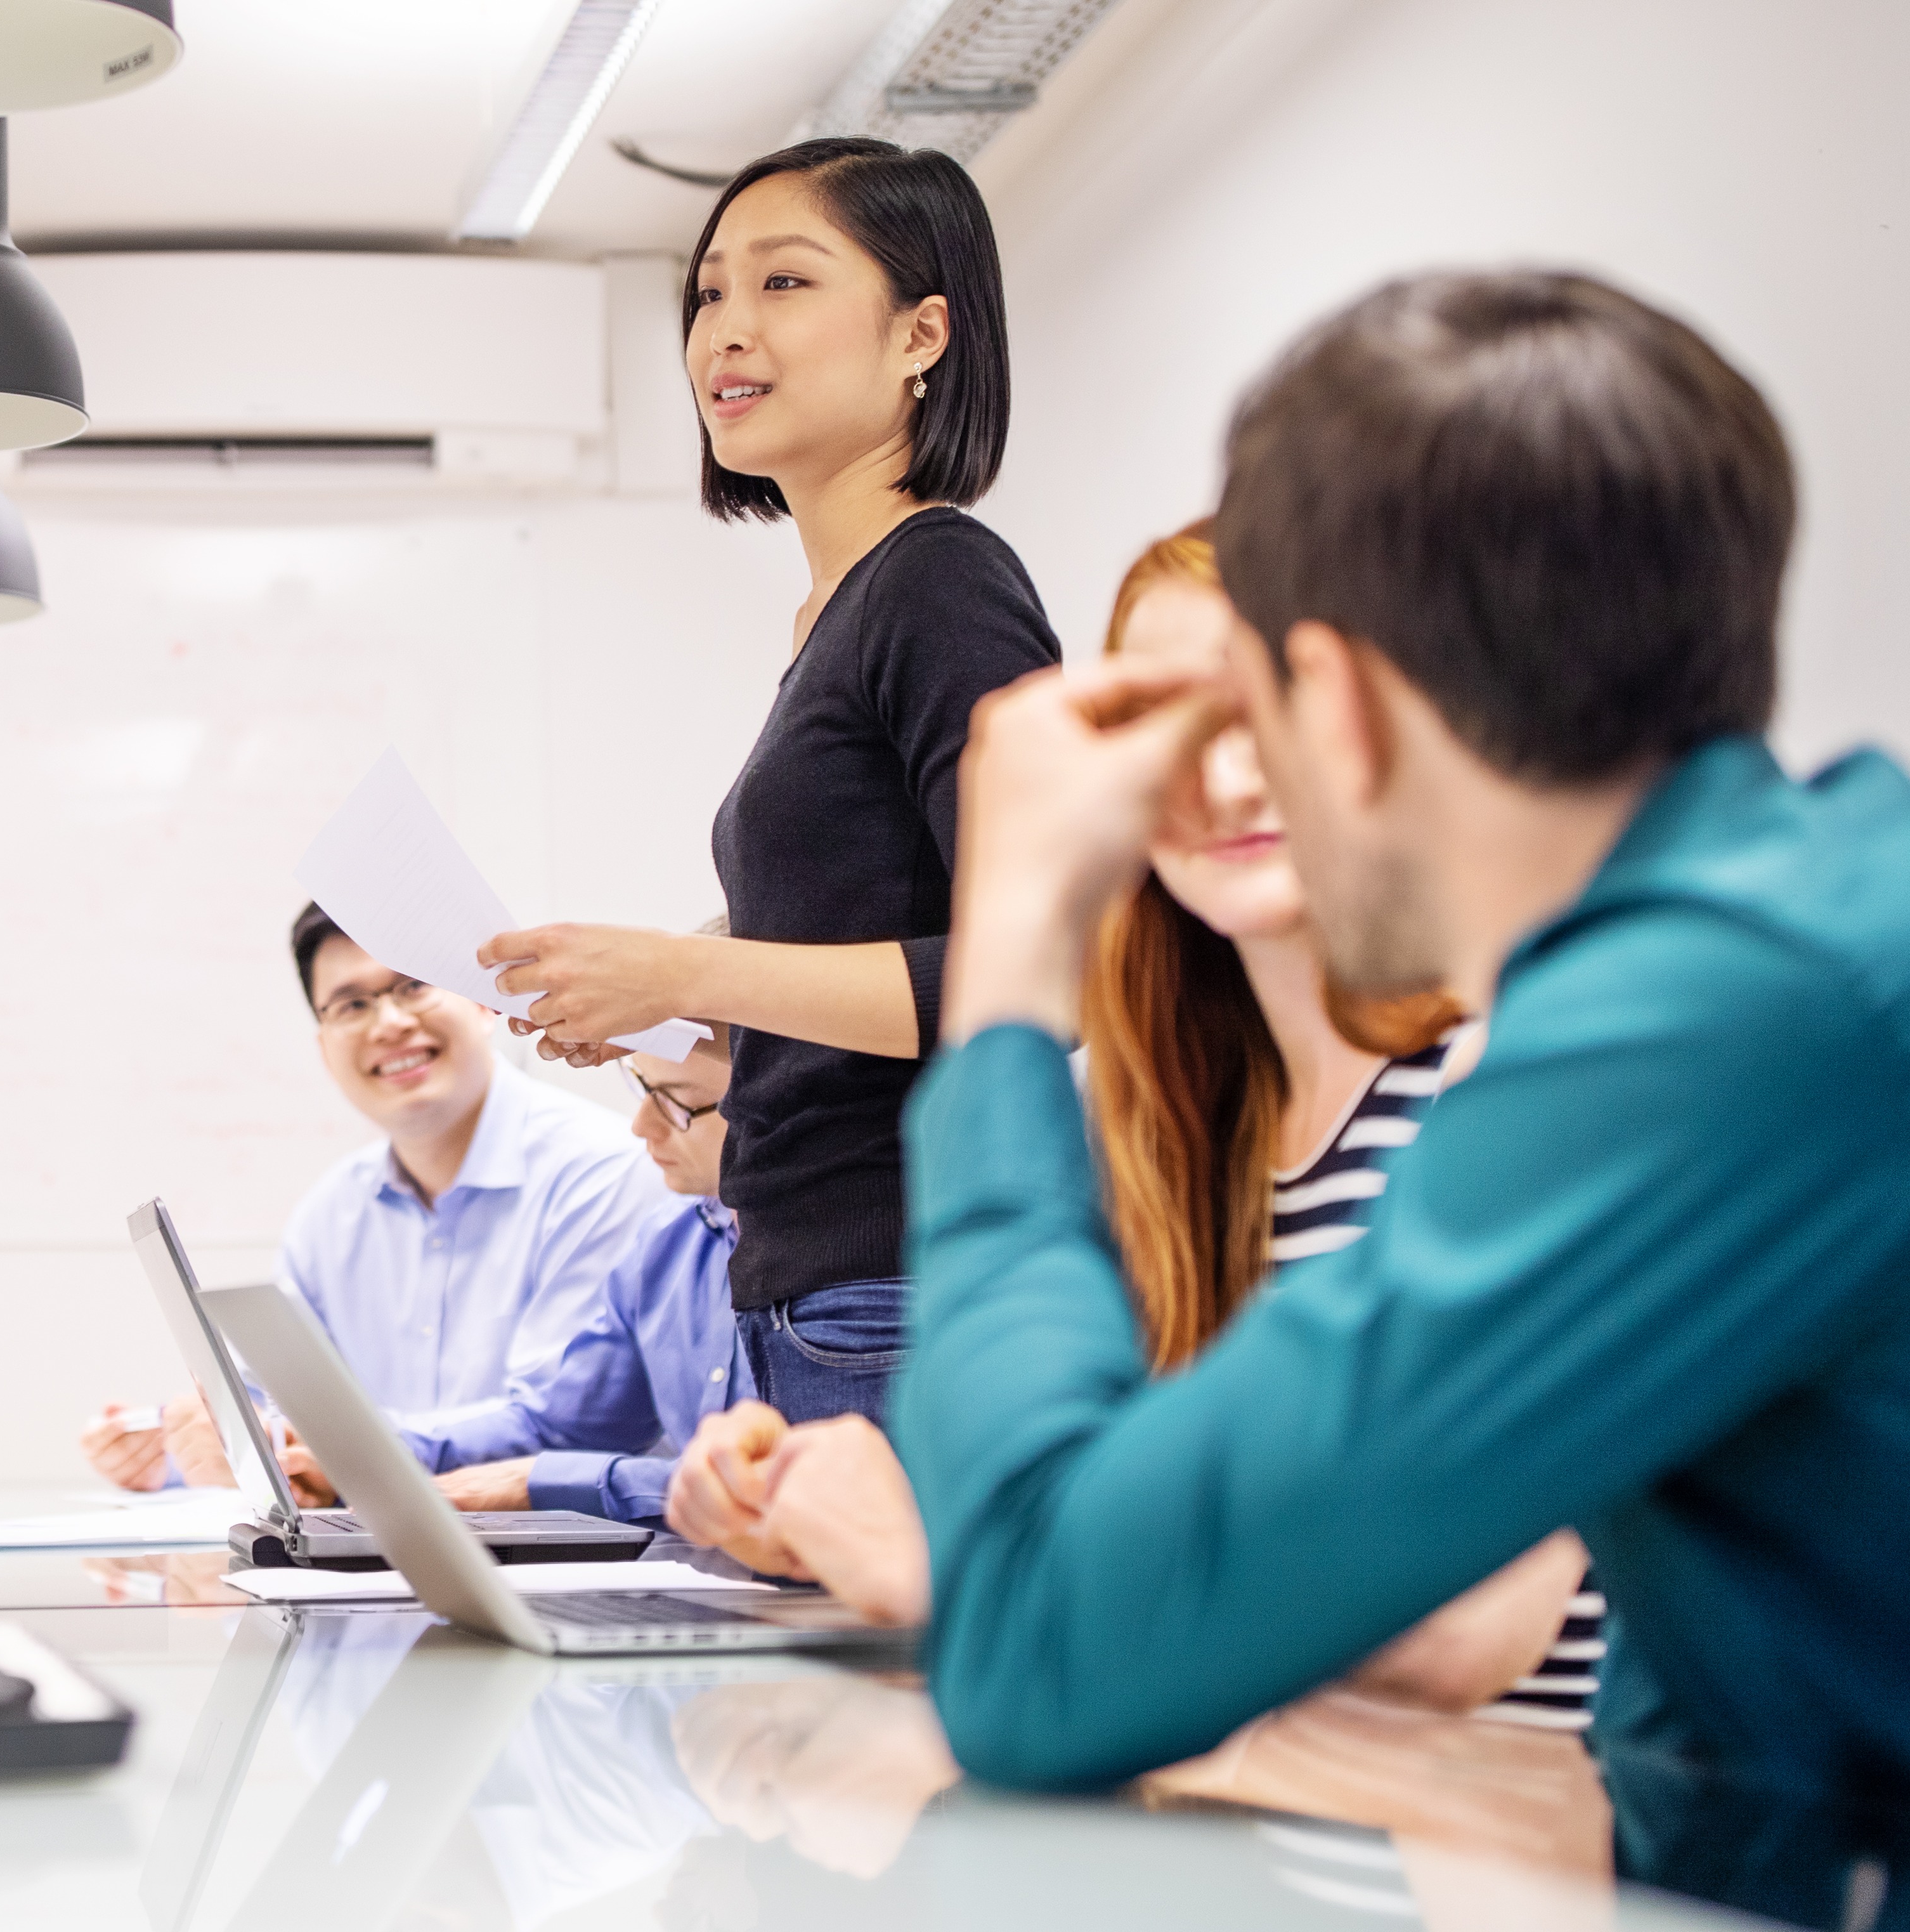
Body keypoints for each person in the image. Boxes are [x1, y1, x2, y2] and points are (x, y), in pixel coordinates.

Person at [885, 271, 1910, 1878]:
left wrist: (1007, 970)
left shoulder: (1742, 1018)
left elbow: (1036, 1657)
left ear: (1331, 707)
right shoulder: (1830, 936)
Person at [666, 529, 1594, 1721]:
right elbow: (1127, 1534)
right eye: (1170, 728)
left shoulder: (1501, 1082)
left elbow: (1456, 1622)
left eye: (1273, 713)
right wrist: (828, 1505)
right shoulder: (1150, 1137)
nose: (1227, 776)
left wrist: (944, 1564)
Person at [469, 138, 1060, 1432]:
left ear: (922, 334)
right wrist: (674, 991)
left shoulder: (939, 584)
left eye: (784, 284)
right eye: (708, 296)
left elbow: (1042, 977)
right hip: (818, 1283)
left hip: (908, 1287)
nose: (725, 332)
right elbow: (878, 919)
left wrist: (690, 977)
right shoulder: (838, 612)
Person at [80, 904, 656, 1494]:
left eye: (413, 986)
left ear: (485, 1004)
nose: (389, 1023)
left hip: (570, 1568)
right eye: (352, 1005)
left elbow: (566, 1424)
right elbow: (268, 1411)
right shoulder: (330, 1216)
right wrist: (179, 1455)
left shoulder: (606, 1172)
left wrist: (328, 1452)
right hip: (384, 1562)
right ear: (325, 1046)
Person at [404, 1015, 750, 1526]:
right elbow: (567, 1428)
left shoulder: (861, 1255)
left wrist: (543, 1482)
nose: (641, 1126)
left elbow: (781, 1490)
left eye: (677, 1102)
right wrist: (361, 1455)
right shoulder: (668, 1242)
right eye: (642, 1087)